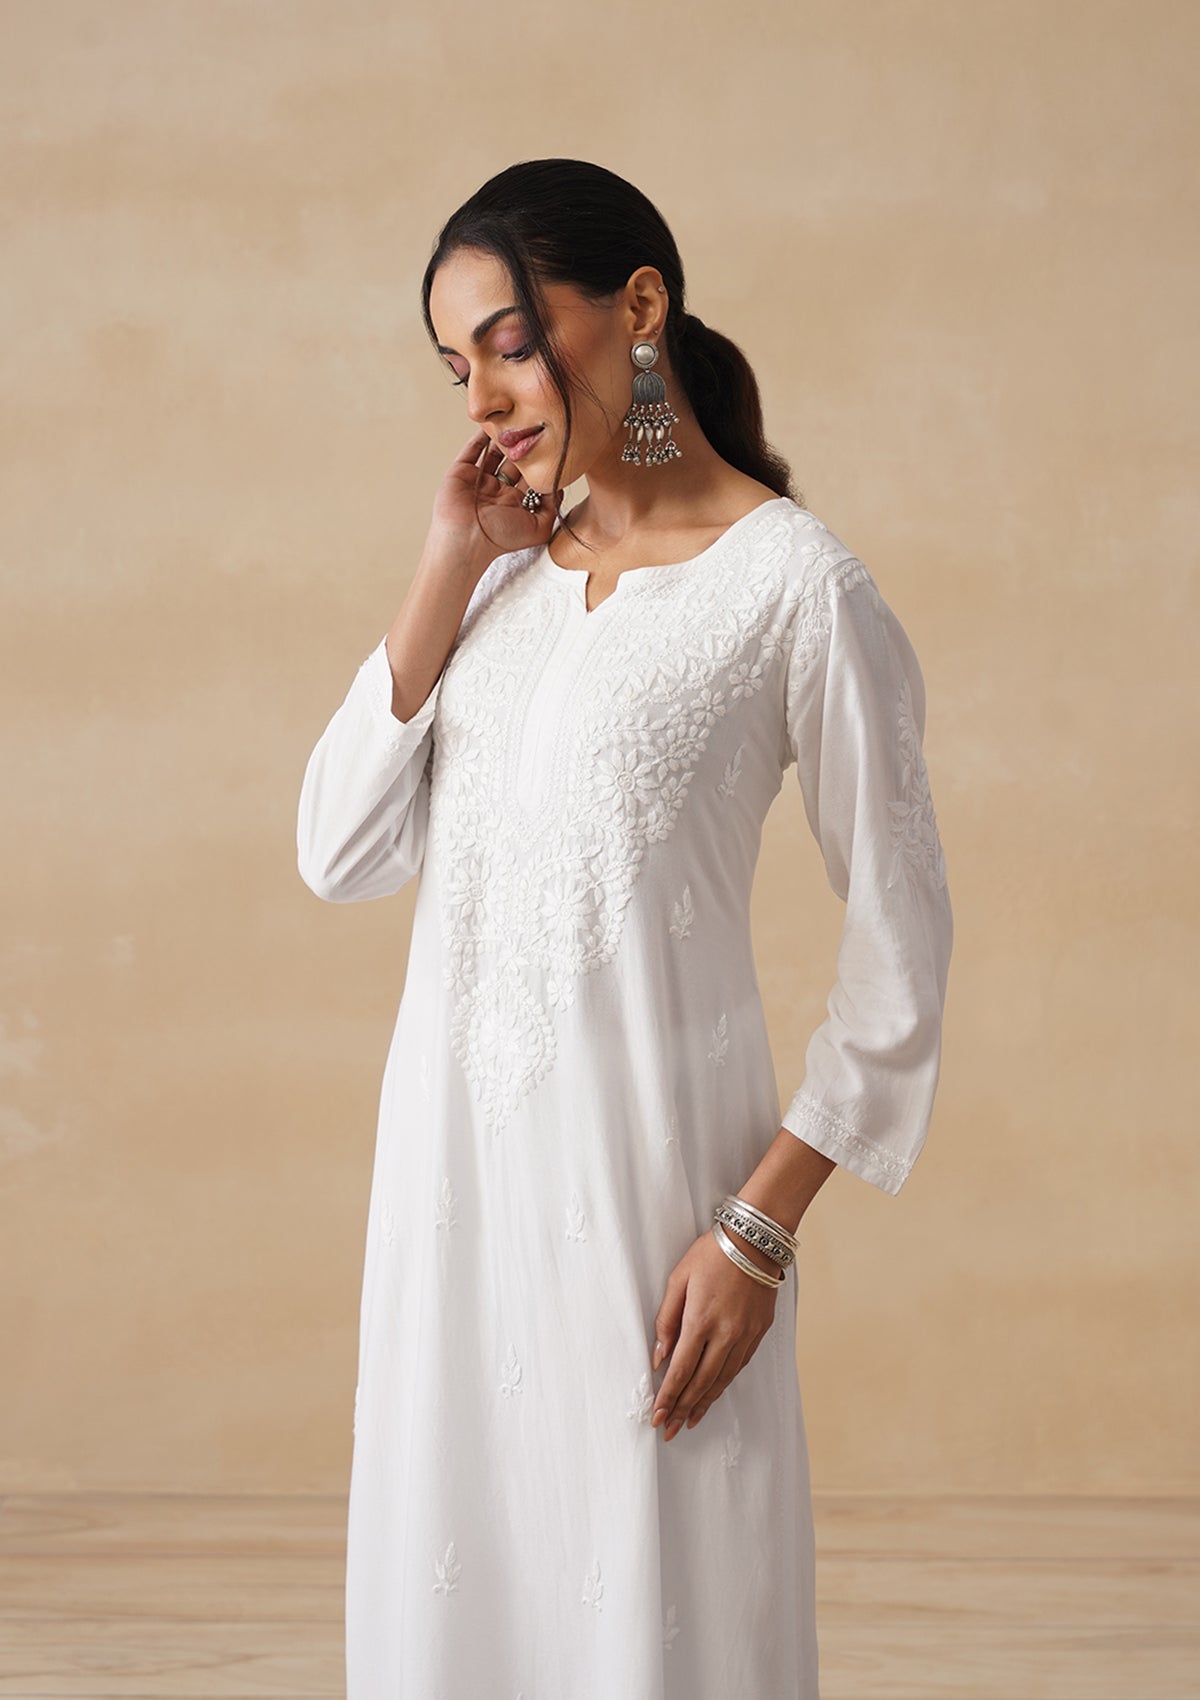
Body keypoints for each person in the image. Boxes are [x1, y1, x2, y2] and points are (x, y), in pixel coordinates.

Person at [296, 157, 953, 1700]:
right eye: (456, 369)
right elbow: (339, 850)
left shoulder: (797, 588)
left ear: (639, 306)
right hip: (452, 1219)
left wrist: (759, 1229)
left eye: (511, 345)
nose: (483, 400)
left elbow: (903, 944)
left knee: (651, 1620)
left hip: (651, 1229)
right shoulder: (505, 581)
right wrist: (450, 563)